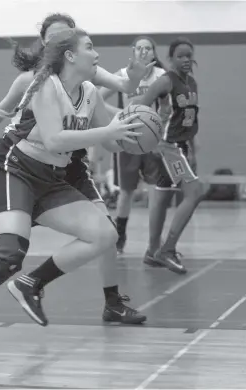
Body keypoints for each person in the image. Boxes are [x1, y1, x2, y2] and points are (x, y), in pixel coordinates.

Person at [0, 14, 153, 324]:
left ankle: (108, 300)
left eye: (70, 33)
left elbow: (123, 87)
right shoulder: (36, 81)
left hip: (68, 165)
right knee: (3, 243)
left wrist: (138, 133)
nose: (67, 40)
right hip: (23, 160)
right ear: (48, 45)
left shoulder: (88, 79)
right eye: (57, 37)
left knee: (103, 230)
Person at [99, 36, 171, 256]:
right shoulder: (123, 75)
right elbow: (98, 98)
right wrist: (120, 115)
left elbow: (168, 108)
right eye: (139, 48)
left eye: (147, 48)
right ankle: (120, 236)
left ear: (153, 53)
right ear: (133, 52)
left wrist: (158, 124)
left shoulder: (162, 77)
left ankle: (154, 243)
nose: (142, 52)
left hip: (152, 141)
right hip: (128, 138)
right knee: (126, 192)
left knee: (154, 192)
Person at [137, 37, 203, 274]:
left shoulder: (192, 83)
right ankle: (167, 249)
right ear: (171, 59)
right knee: (195, 192)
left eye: (189, 55)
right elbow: (140, 109)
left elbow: (191, 118)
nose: (186, 59)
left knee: (162, 198)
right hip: (169, 147)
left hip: (183, 147)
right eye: (180, 56)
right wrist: (150, 140)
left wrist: (193, 148)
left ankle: (152, 252)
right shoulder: (165, 81)